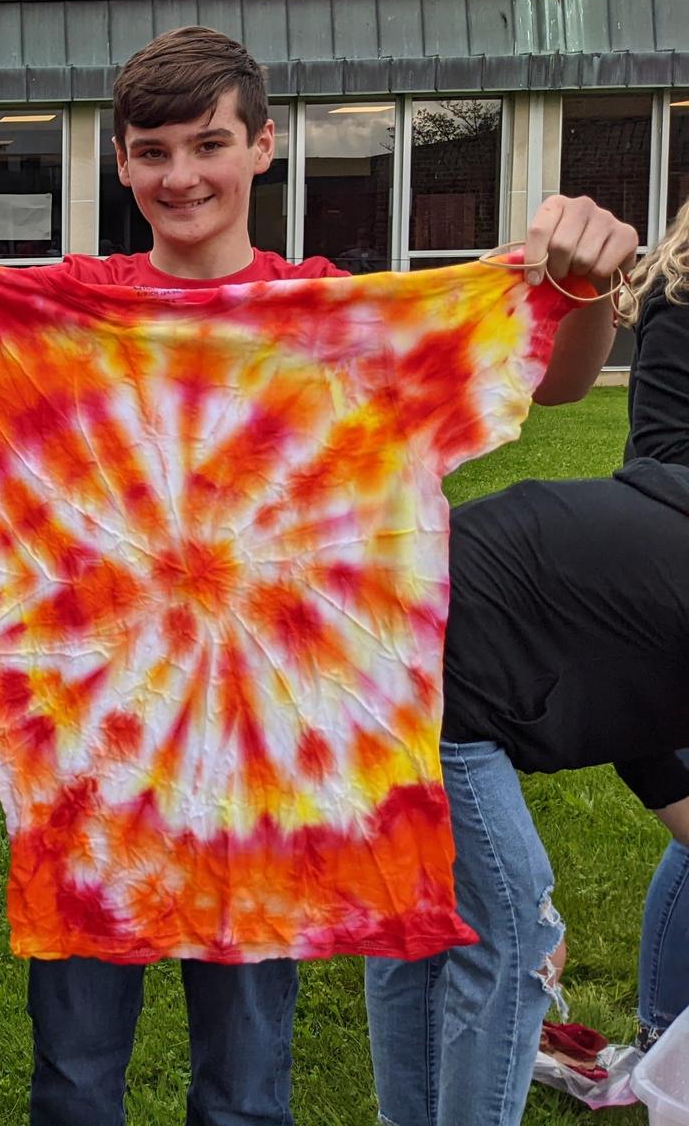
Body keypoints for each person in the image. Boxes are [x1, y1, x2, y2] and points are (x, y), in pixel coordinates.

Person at [0, 25, 638, 1126]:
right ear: (120, 162)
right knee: (73, 1086)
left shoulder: (332, 326)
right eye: (154, 151)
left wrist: (588, 287)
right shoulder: (67, 314)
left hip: (271, 786)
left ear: (263, 147)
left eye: (208, 144)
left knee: (248, 1093)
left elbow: (555, 384)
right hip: (95, 781)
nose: (181, 175)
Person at [364, 194, 689, 1124]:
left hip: (427, 618)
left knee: (422, 917)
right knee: (506, 930)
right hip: (436, 654)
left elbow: (640, 709)